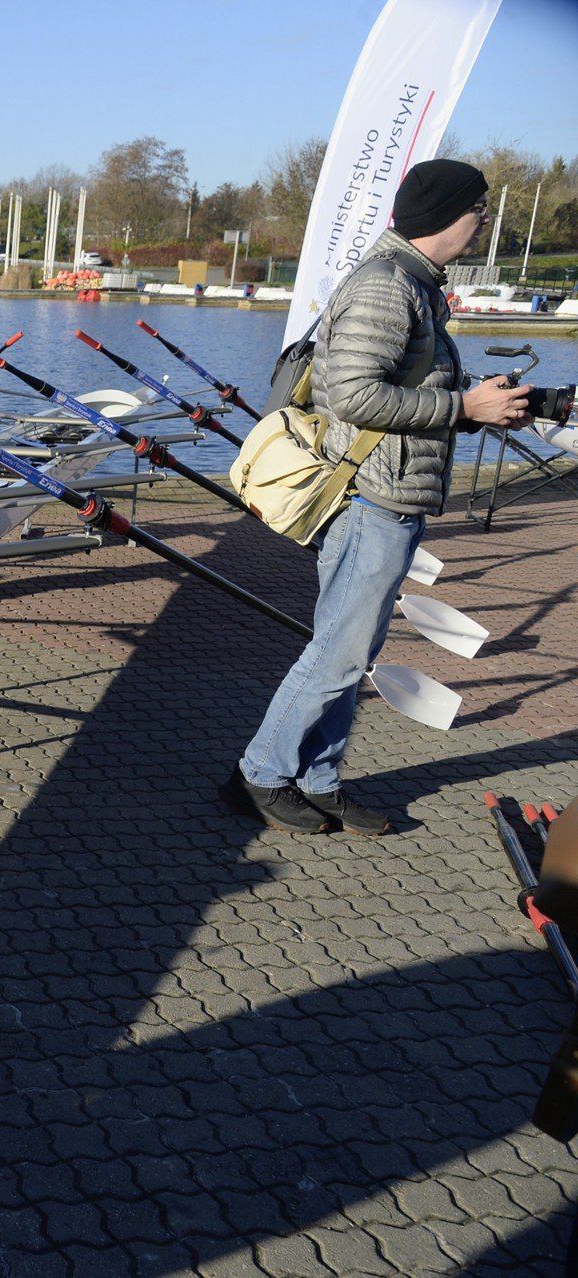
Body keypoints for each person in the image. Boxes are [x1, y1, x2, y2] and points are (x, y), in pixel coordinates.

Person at [227, 159, 533, 835]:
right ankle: (260, 773)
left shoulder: (414, 283)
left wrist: (487, 400)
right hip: (372, 497)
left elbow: (397, 381)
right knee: (338, 651)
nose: (484, 219)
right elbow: (355, 395)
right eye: (479, 207)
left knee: (351, 651)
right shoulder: (387, 286)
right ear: (448, 215)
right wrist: (462, 407)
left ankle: (319, 777)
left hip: (393, 494)